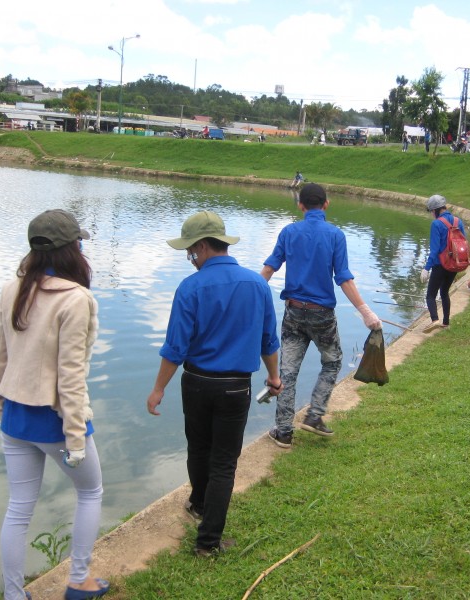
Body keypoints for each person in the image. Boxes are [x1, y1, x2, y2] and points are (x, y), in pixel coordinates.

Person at [146, 211, 281, 556]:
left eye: (191, 252)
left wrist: (159, 388)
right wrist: (274, 376)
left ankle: (200, 510)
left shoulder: (190, 288)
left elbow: (175, 347)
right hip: (236, 387)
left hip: (196, 383)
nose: (190, 259)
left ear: (204, 247)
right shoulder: (257, 285)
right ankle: (207, 537)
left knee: (199, 449)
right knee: (223, 462)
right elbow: (269, 341)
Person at [0, 209, 108, 600]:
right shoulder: (76, 299)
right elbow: (70, 376)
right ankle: (78, 580)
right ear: (72, 249)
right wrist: (76, 438)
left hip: (15, 418)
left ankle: (12, 594)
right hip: (56, 420)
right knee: (91, 491)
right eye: (79, 242)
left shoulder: (13, 288)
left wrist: (1, 407)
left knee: (19, 508)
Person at [261, 184, 381, 448]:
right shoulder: (335, 235)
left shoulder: (288, 232)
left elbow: (269, 268)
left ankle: (283, 432)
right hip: (321, 315)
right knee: (332, 361)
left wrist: (251, 298)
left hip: (293, 312)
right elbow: (344, 279)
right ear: (326, 204)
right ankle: (314, 415)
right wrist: (365, 311)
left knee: (287, 372)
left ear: (300, 205)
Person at [419, 194, 467, 333]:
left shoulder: (436, 224)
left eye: (431, 212)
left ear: (434, 210)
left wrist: (426, 268)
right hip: (455, 264)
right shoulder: (458, 221)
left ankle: (435, 320)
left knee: (430, 296)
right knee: (444, 292)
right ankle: (446, 322)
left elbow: (434, 251)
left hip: (440, 265)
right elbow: (463, 242)